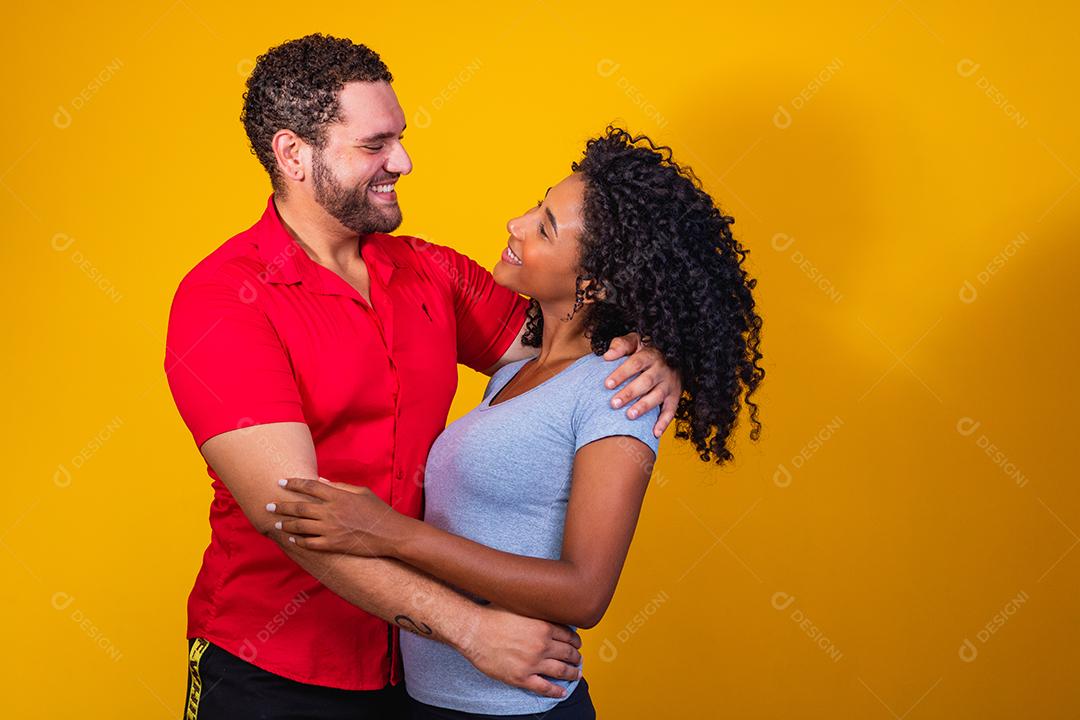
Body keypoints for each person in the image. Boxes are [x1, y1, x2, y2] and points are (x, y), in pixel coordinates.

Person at [164, 36, 683, 719]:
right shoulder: (221, 300)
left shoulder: (435, 275)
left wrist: (652, 350)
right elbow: (292, 518)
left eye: (400, 138)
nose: (402, 162)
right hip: (274, 673)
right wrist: (469, 628)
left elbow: (565, 347)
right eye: (375, 144)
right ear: (294, 154)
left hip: (416, 682)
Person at [268, 127, 765, 718]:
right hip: (432, 700)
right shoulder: (518, 371)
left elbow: (584, 592)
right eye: (537, 204)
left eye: (546, 226)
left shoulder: (615, 392)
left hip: (514, 706)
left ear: (594, 283)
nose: (517, 222)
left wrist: (387, 532)